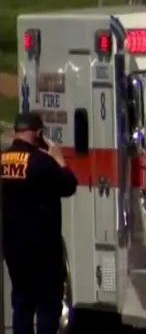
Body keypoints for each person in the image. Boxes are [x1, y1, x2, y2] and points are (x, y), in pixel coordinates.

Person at [1, 112, 78, 334]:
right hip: (43, 252)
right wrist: (59, 159)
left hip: (14, 250)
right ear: (39, 134)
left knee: (22, 306)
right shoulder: (43, 162)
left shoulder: (4, 160)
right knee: (47, 307)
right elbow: (69, 185)